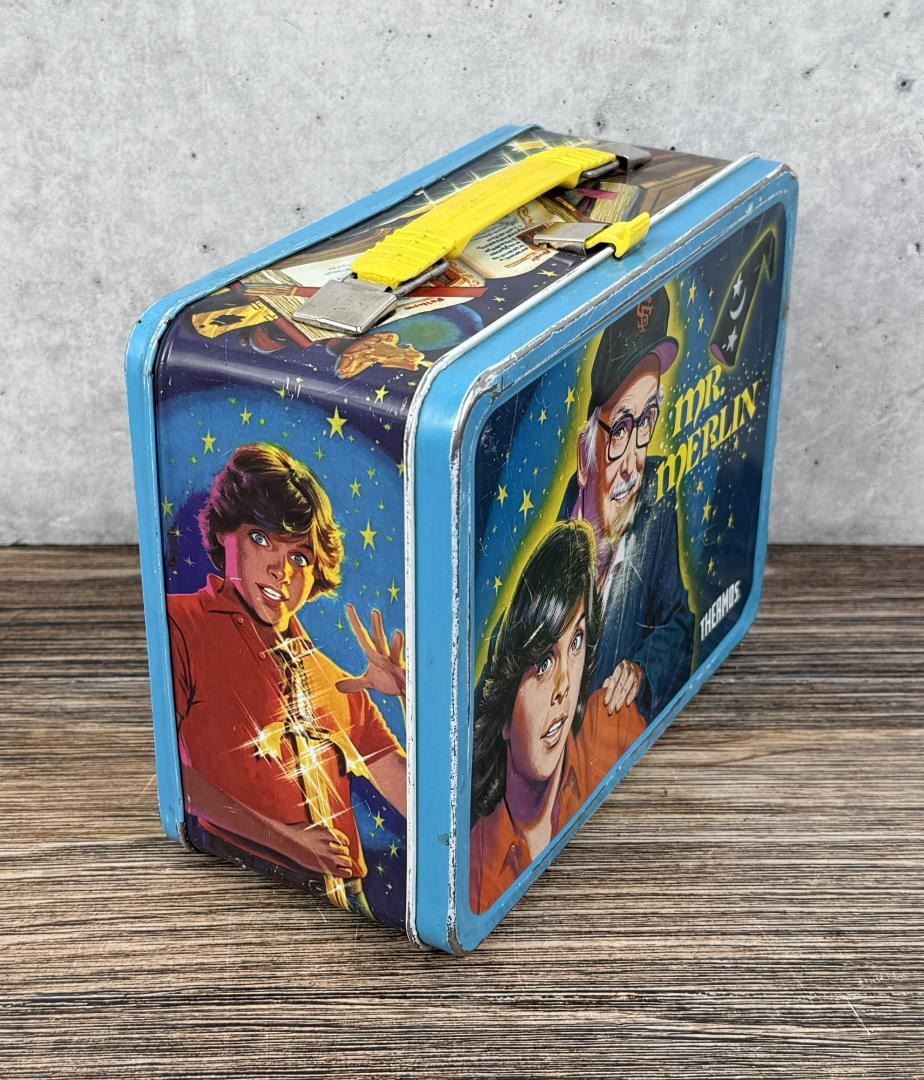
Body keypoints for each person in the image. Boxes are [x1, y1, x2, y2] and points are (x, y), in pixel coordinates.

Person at [166, 443, 406, 918]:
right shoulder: (182, 624)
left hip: (349, 902)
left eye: (299, 557)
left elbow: (417, 800)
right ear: (225, 533)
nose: (281, 570)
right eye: (261, 539)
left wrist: (413, 705)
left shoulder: (336, 682)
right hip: (235, 880)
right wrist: (285, 839)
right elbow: (177, 777)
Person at [469, 521, 645, 915]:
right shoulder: (476, 872)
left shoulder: (610, 723)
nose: (564, 684)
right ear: (503, 715)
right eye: (543, 664)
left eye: (576, 641)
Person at [564, 287, 694, 722]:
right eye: (620, 429)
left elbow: (679, 623)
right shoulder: (558, 546)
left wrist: (642, 669)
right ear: (585, 454)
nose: (634, 461)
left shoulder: (656, 499)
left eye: (646, 421)